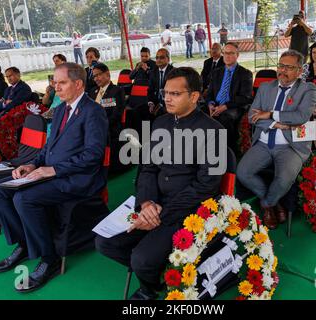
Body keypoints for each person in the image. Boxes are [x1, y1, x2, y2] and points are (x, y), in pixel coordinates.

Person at [96, 67, 225, 300]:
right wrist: (146, 203)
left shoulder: (214, 131)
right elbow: (147, 168)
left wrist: (159, 214)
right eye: (166, 92)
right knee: (105, 241)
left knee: (142, 259)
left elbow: (205, 186)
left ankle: (150, 285)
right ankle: (162, 273)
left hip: (185, 210)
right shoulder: (160, 122)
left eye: (175, 94)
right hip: (151, 203)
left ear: (194, 96)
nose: (167, 98)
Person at [0, 62, 109, 293]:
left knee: (24, 199)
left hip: (76, 179)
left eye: (61, 82)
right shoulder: (62, 108)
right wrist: (32, 163)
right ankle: (24, 243)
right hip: (50, 172)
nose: (56, 87)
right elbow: (50, 146)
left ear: (78, 84)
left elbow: (93, 156)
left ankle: (49, 257)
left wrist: (52, 170)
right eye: (55, 81)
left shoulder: (94, 112)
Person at [236, 50, 316, 230]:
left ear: (299, 70)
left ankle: (266, 204)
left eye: (289, 67)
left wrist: (271, 114)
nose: (282, 70)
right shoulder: (266, 87)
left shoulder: (307, 89)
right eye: (281, 65)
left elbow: (301, 116)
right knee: (243, 172)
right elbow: (252, 116)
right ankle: (272, 203)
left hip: (290, 145)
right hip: (264, 142)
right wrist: (276, 124)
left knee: (283, 179)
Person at [206, 42, 253, 153]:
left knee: (224, 118)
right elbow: (209, 93)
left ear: (237, 55)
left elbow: (245, 98)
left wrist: (225, 106)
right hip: (215, 105)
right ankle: (204, 148)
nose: (227, 56)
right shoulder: (216, 72)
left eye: (231, 53)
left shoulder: (245, 74)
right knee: (198, 113)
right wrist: (210, 104)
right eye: (225, 53)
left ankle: (228, 150)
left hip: (233, 106)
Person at [90, 63, 126, 170]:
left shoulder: (116, 91)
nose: (96, 78)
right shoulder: (93, 91)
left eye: (98, 75)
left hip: (110, 128)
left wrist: (99, 127)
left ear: (107, 74)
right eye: (94, 76)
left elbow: (116, 115)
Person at [147, 48, 175, 120]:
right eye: (157, 58)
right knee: (141, 111)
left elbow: (175, 93)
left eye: (161, 57)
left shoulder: (174, 72)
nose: (158, 60)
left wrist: (161, 104)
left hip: (169, 102)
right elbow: (150, 90)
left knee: (160, 113)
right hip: (156, 102)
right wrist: (151, 103)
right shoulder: (153, 72)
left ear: (168, 59)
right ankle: (146, 131)